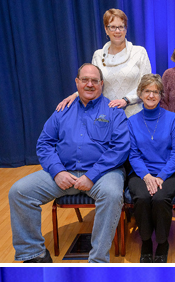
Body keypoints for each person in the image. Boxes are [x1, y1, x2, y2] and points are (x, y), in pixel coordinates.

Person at [9, 63, 130, 263]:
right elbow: (44, 143)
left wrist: (91, 176)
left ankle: (98, 260)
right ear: (77, 82)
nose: (89, 84)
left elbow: (119, 149)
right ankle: (33, 254)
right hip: (65, 172)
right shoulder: (62, 110)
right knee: (19, 191)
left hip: (102, 173)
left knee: (112, 194)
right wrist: (57, 172)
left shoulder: (113, 111)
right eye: (85, 80)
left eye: (94, 81)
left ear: (101, 84)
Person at [127, 74, 175, 263]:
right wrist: (146, 176)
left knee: (160, 198)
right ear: (140, 94)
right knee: (142, 197)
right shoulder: (132, 121)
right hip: (141, 171)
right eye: (147, 91)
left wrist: (160, 177)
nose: (151, 95)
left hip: (171, 171)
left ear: (161, 95)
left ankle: (162, 243)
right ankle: (145, 241)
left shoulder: (172, 118)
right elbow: (133, 155)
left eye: (155, 92)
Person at [56, 9, 151, 117]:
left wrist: (126, 100)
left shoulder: (139, 52)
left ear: (126, 29)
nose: (117, 31)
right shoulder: (98, 55)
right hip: (106, 116)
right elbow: (93, 84)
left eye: (121, 26)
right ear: (106, 29)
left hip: (135, 116)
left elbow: (147, 85)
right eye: (113, 27)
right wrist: (76, 95)